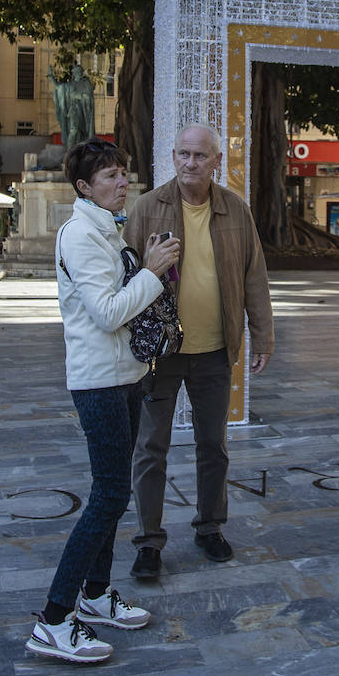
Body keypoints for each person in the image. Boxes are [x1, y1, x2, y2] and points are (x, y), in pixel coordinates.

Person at [27, 138, 180, 664]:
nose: (123, 184)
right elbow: (109, 312)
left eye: (124, 174)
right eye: (112, 176)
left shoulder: (107, 231)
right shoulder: (81, 236)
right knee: (110, 496)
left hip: (126, 375)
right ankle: (52, 618)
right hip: (97, 381)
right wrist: (153, 270)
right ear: (84, 187)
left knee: (112, 493)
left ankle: (94, 596)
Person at [125, 124, 274, 579]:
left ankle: (210, 526)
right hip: (161, 353)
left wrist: (262, 334)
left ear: (216, 162)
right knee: (151, 447)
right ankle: (149, 541)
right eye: (184, 155)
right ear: (172, 157)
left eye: (201, 156)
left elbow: (254, 275)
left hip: (214, 350)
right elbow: (124, 275)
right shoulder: (148, 208)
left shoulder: (235, 210)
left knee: (214, 445)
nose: (191, 163)